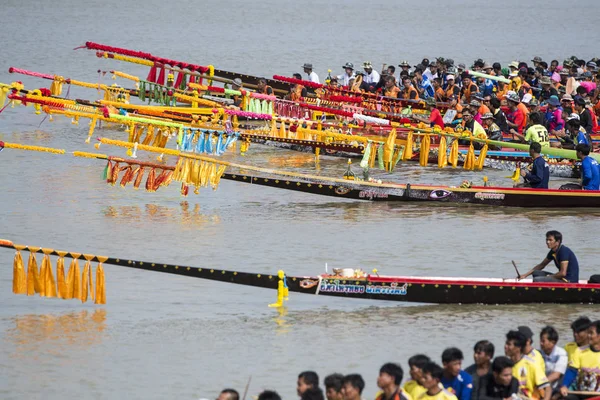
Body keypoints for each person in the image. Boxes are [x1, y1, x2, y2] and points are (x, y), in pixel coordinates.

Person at [504, 330, 551, 400]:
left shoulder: (531, 364)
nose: (505, 347)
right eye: (506, 344)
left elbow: (547, 389)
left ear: (518, 347)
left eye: (509, 344)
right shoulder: (504, 365)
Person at [559, 320, 600, 400]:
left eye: (591, 333)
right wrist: (564, 386)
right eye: (588, 333)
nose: (588, 336)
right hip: (579, 393)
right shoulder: (579, 351)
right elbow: (572, 371)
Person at [539, 326, 568, 391]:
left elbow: (556, 375)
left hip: (556, 389)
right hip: (541, 387)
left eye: (543, 341)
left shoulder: (561, 354)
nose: (541, 343)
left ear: (552, 342)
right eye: (540, 340)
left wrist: (540, 384)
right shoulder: (538, 353)